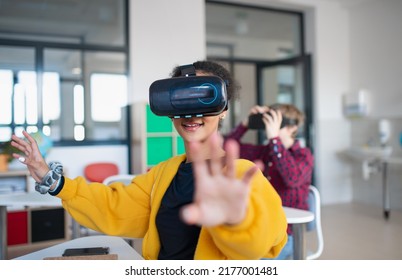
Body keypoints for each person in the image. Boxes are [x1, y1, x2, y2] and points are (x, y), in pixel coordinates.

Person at [11, 60, 287, 260]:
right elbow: (115, 206)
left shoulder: (240, 172)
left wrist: (236, 220)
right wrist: (53, 179)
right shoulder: (163, 173)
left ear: (224, 109)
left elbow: (264, 243)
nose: (191, 114)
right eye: (181, 100)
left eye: (202, 98)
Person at [225, 103, 314, 259]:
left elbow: (291, 178)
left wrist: (274, 138)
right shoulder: (268, 151)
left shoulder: (304, 155)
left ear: (292, 128)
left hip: (287, 234)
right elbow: (228, 147)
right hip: (263, 227)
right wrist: (246, 124)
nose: (271, 125)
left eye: (276, 121)